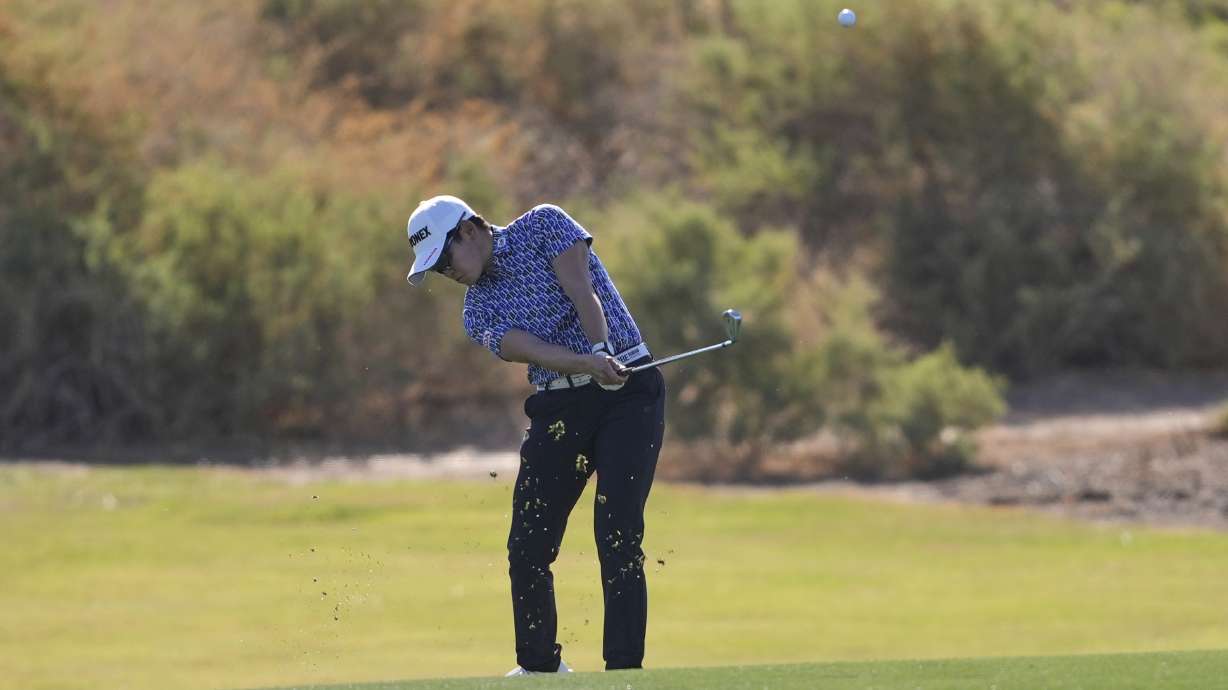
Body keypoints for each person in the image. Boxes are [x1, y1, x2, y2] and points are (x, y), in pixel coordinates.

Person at [405, 195, 667, 675]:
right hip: (560, 406)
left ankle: (624, 673)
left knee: (618, 535)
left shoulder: (544, 224)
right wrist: (586, 362)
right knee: (527, 546)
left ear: (469, 230)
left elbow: (582, 291)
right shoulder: (477, 311)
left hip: (629, 394)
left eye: (444, 258)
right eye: (437, 269)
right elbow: (530, 349)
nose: (447, 272)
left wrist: (601, 351)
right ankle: (540, 669)